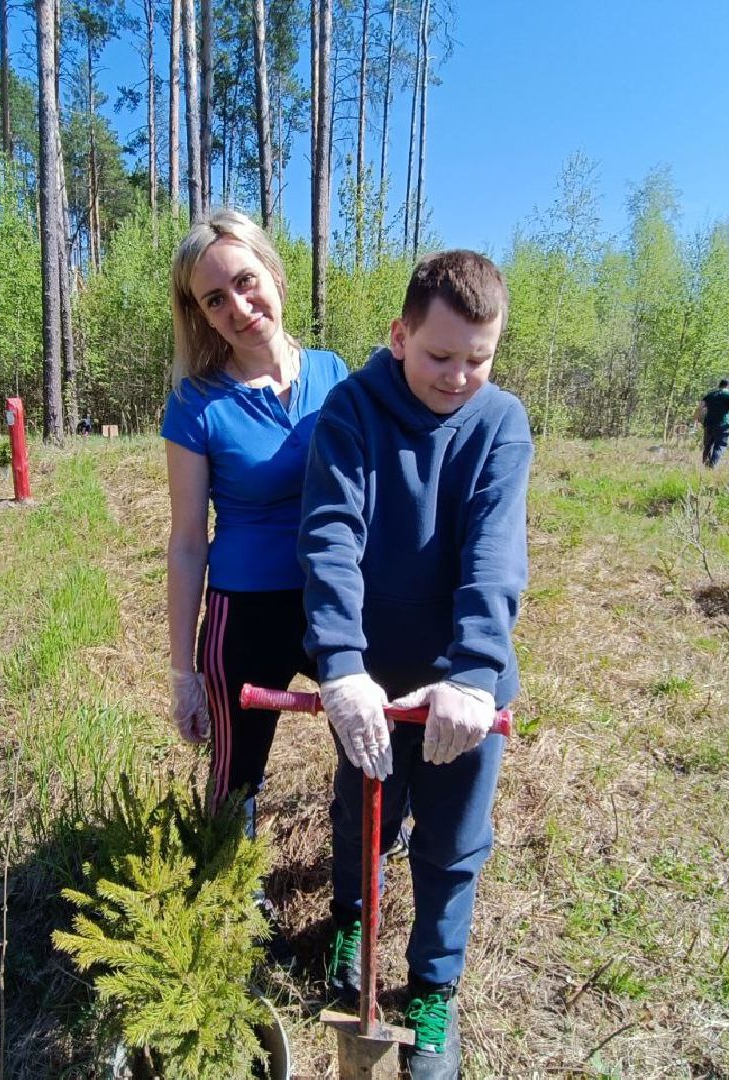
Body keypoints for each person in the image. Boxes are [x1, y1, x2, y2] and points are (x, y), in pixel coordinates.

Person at [300, 250, 532, 1078]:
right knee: (363, 810)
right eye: (440, 355)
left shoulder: (500, 422)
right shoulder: (350, 411)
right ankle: (353, 922)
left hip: (462, 684)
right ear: (398, 336)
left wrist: (473, 672)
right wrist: (339, 664)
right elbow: (331, 539)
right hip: (370, 675)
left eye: (479, 358)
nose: (459, 376)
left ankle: (433, 986)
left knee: (452, 838)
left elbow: (494, 556)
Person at [161, 209, 348, 833]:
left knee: (373, 735)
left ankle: (363, 859)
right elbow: (187, 542)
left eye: (245, 281)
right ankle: (233, 896)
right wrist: (182, 672)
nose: (238, 307)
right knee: (235, 775)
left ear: (273, 271)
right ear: (201, 315)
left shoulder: (336, 375)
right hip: (245, 612)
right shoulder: (196, 404)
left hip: (336, 599)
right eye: (215, 300)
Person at [695, 379, 729, 468]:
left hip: (708, 424)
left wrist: (695, 420)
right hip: (722, 424)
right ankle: (712, 466)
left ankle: (706, 466)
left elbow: (699, 408)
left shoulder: (709, 395)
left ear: (719, 386)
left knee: (707, 446)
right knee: (720, 446)